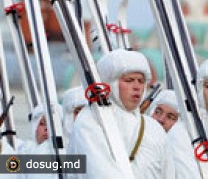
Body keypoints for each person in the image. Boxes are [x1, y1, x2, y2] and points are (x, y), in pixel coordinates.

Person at [67, 49, 175, 178]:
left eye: (141, 81)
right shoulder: (90, 122)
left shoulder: (154, 128)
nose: (137, 87)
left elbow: (168, 173)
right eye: (129, 80)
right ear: (111, 83)